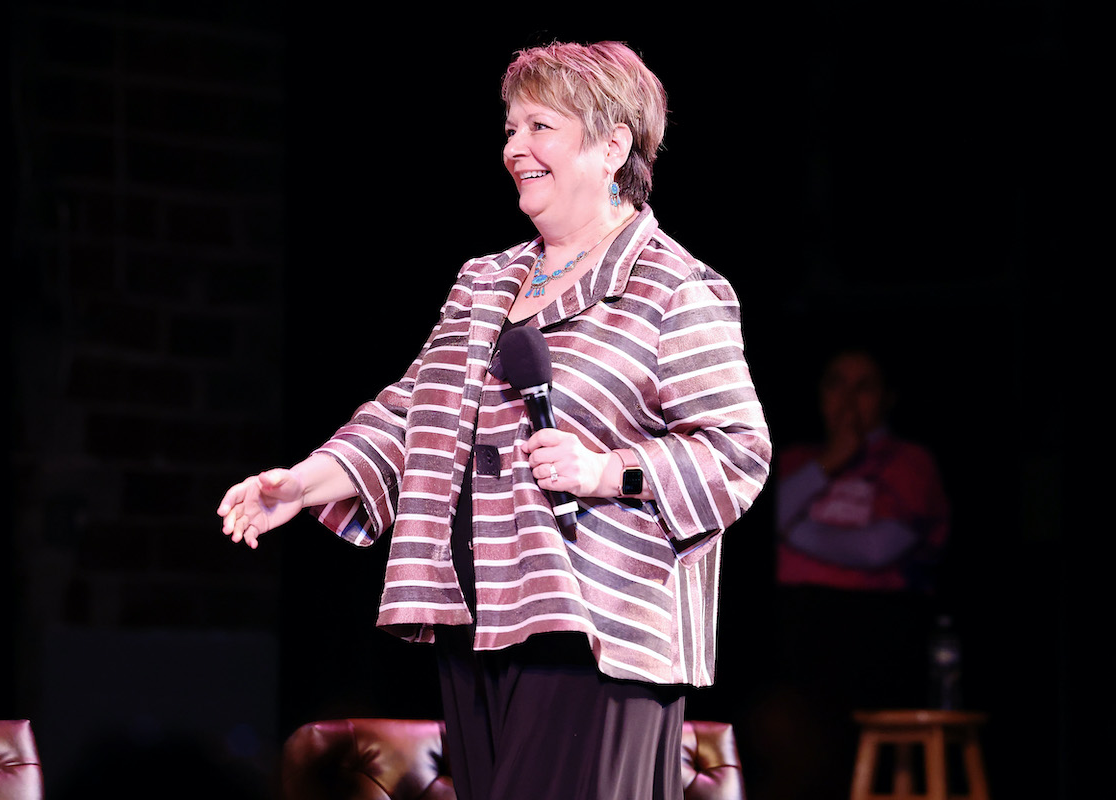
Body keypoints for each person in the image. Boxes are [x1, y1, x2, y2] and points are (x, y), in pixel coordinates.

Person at [217, 41, 771, 800]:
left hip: (597, 633)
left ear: (613, 145)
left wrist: (607, 470)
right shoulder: (484, 281)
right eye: (510, 129)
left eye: (540, 127)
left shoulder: (675, 288)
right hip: (478, 621)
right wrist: (306, 483)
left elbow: (737, 453)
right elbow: (414, 411)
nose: (515, 149)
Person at [751, 347, 950, 800]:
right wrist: (828, 465)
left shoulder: (908, 462)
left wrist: (792, 534)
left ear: (887, 398)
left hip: (878, 635)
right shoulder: (798, 460)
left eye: (864, 387)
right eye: (836, 383)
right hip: (795, 637)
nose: (848, 399)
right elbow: (760, 521)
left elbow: (877, 548)